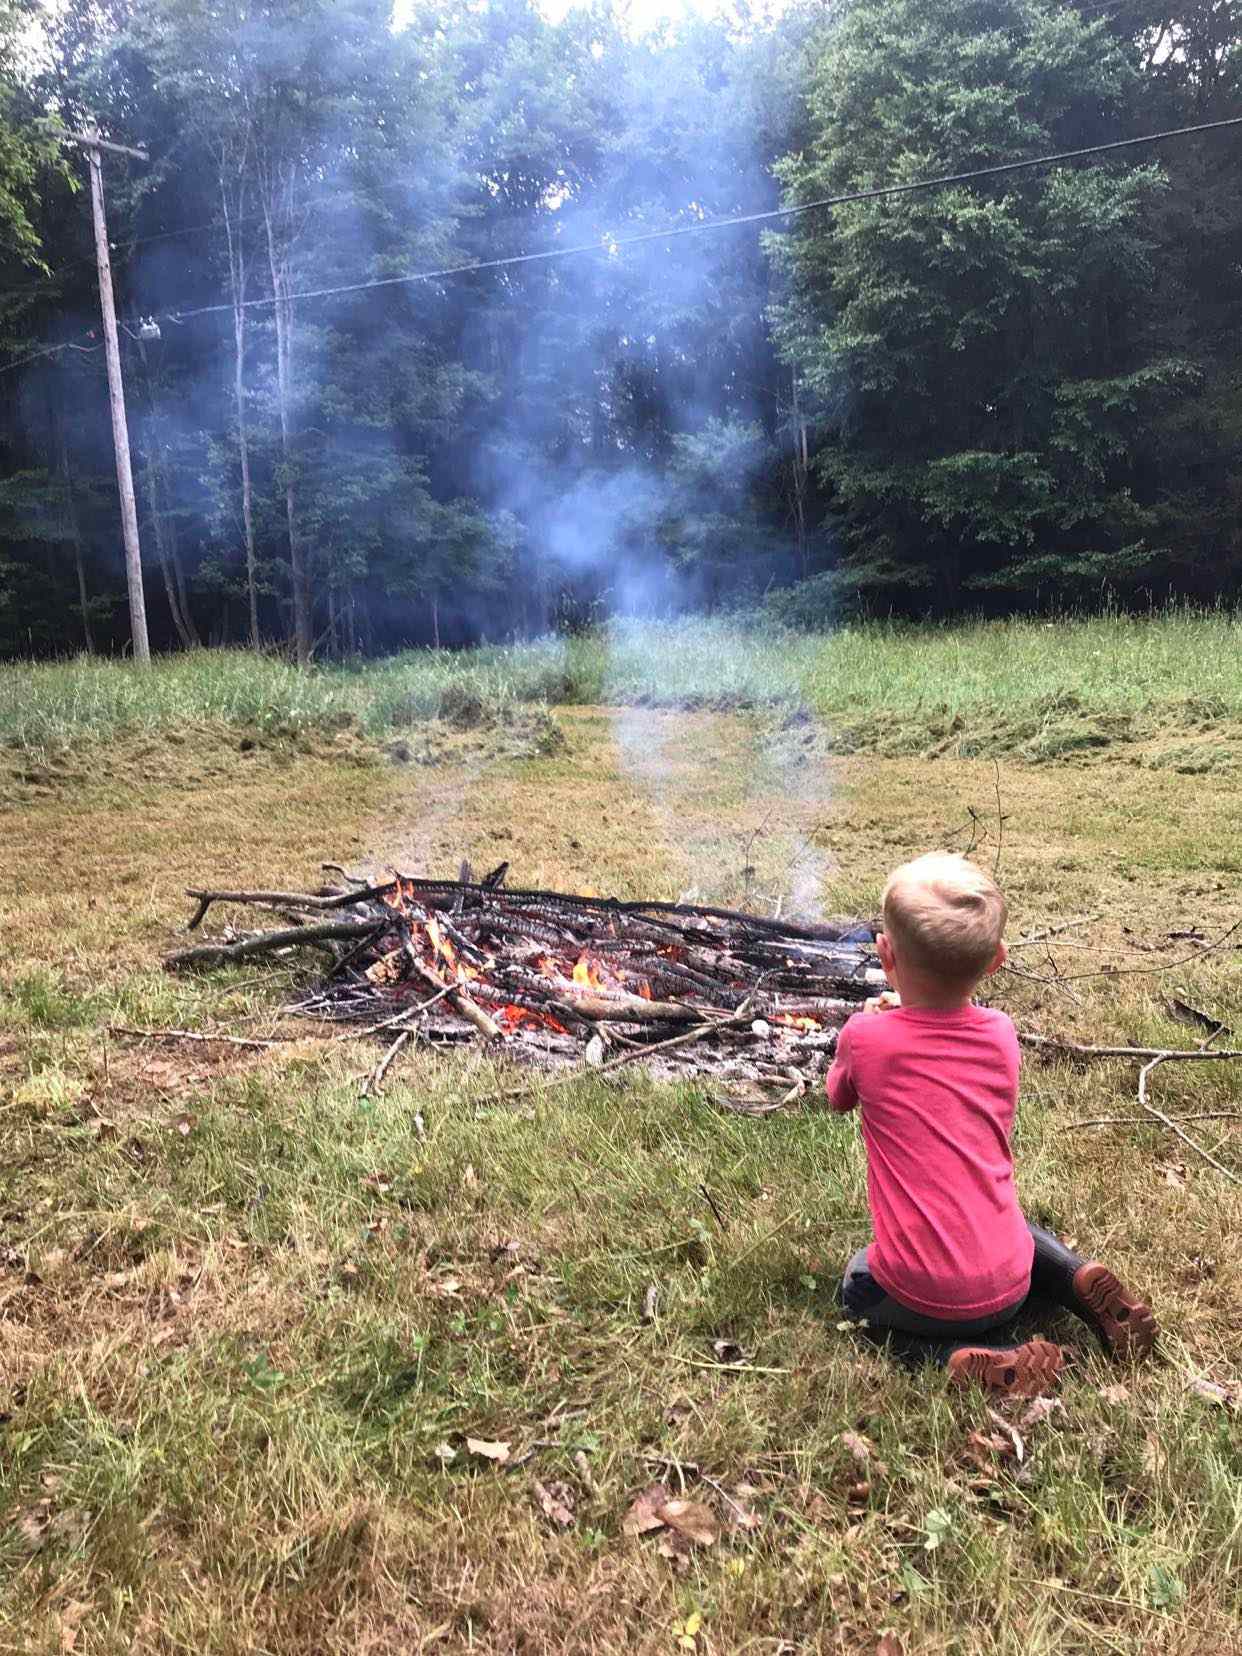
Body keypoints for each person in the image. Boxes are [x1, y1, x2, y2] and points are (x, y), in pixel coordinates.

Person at [826, 852, 1156, 1397]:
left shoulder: (866, 1038)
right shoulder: (1002, 1034)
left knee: (856, 1290)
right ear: (997, 960)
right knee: (1010, 1227)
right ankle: (1075, 1281)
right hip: (1013, 1280)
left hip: (921, 1296)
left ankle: (951, 1358)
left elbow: (839, 1097)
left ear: (886, 955)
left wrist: (868, 1021)